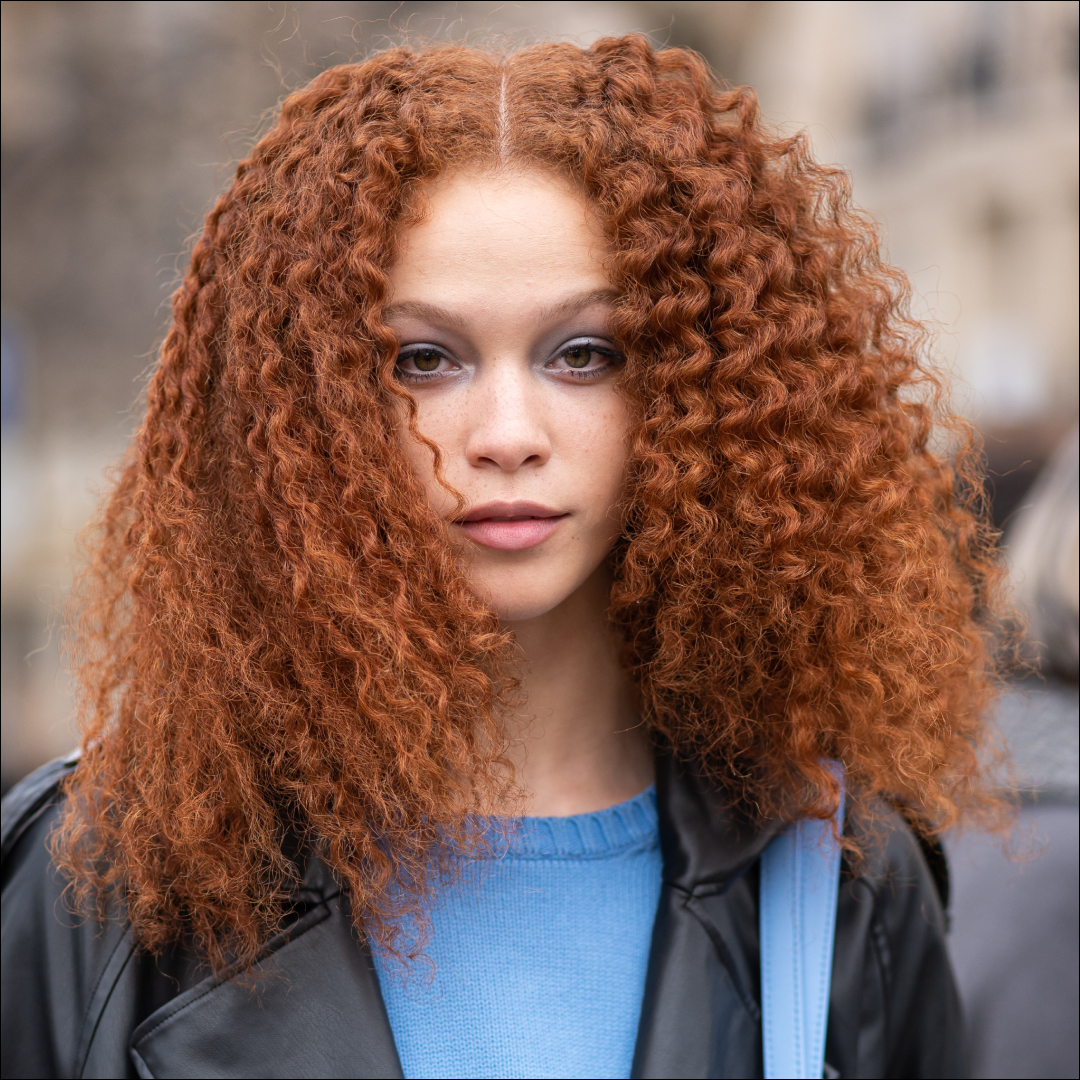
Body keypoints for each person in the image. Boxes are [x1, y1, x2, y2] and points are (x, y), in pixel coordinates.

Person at [1, 36, 1006, 1080]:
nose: (506, 432)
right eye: (423, 360)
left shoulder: (838, 881)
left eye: (585, 354)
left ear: (703, 392)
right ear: (303, 404)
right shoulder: (98, 883)